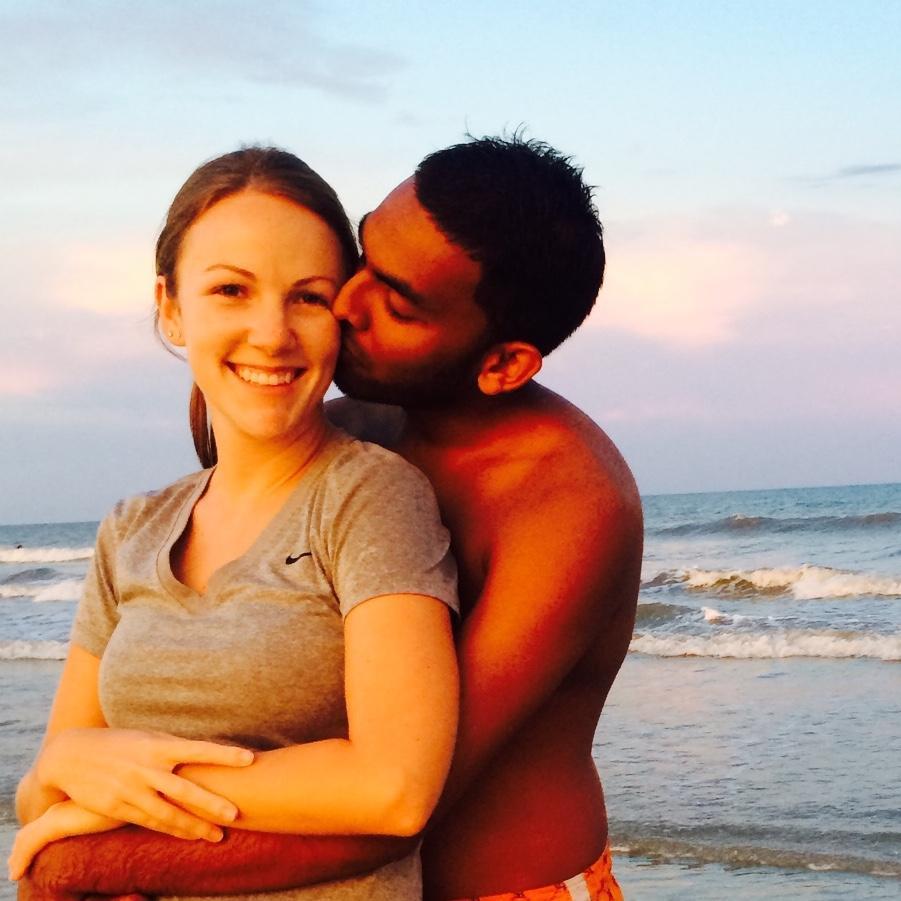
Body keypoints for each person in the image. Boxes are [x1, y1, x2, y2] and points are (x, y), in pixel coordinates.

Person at [21, 135, 642, 901]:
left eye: (395, 301)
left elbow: (400, 801)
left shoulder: (566, 501)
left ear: (502, 364)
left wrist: (84, 860)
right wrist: (68, 767)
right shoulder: (359, 423)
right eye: (363, 258)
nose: (346, 303)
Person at [11, 147, 461, 899]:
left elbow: (394, 786)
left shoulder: (370, 498)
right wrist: (63, 767)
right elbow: (45, 794)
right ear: (170, 307)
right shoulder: (132, 529)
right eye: (230, 290)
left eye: (308, 297)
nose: (272, 333)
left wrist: (122, 783)